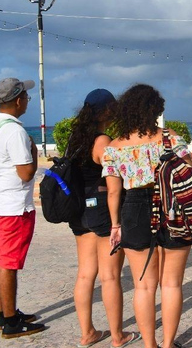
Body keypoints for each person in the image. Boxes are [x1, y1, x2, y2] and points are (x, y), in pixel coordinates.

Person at [104, 84, 192, 348]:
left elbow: (113, 192)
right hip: (172, 206)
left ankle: (150, 345)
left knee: (143, 285)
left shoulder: (114, 146)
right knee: (171, 284)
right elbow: (190, 174)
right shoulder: (169, 138)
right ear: (155, 110)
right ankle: (168, 344)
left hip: (133, 208)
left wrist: (115, 226)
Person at [67, 89, 140, 348]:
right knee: (110, 276)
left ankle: (88, 334)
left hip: (79, 213)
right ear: (106, 110)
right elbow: (113, 185)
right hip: (101, 212)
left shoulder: (75, 139)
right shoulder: (102, 141)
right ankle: (118, 336)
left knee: (85, 275)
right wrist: (116, 223)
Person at [0, 77, 47, 338]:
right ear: (19, 99)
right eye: (27, 98)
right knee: (8, 263)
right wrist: (33, 152)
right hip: (14, 209)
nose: (27, 102)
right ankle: (11, 322)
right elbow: (25, 173)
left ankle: (4, 313)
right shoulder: (16, 131)